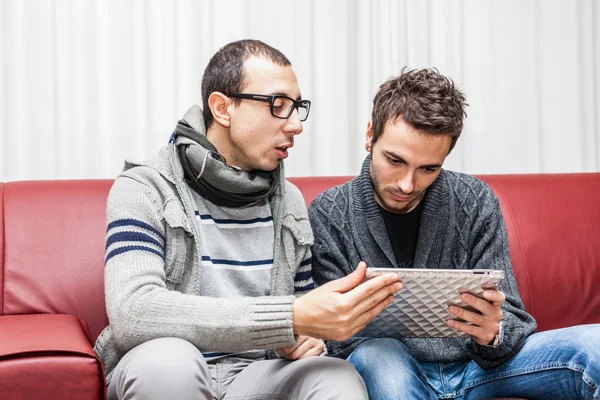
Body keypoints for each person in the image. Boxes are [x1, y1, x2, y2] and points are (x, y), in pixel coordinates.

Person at [93, 39, 403, 400]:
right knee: (170, 361)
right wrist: (289, 316)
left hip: (255, 374)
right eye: (278, 105)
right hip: (160, 369)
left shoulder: (290, 201)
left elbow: (301, 313)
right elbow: (134, 313)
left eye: (297, 107)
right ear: (223, 108)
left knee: (335, 375)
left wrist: (306, 337)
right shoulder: (144, 188)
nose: (296, 125)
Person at [308, 68, 600, 399]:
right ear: (369, 135)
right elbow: (332, 339)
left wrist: (494, 333)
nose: (407, 184)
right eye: (395, 160)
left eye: (428, 168)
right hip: (390, 370)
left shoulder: (475, 200)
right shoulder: (328, 214)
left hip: (479, 368)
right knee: (378, 354)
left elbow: (515, 321)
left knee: (595, 345)